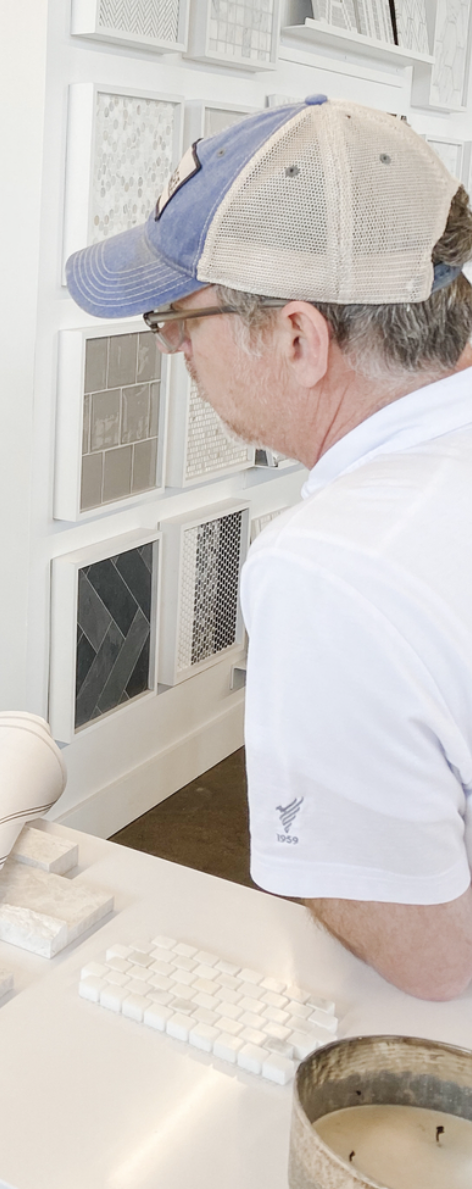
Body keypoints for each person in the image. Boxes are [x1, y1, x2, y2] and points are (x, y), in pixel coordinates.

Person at [66, 94, 472, 1001]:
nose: (171, 350)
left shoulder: (331, 567)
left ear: (299, 336)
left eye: (179, 318)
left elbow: (428, 957)